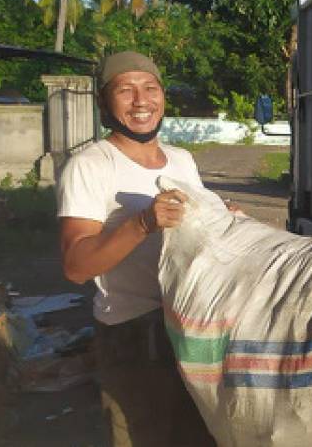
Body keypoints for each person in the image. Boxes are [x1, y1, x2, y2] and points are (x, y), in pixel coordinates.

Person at [57, 51, 215, 447]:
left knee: (202, 435)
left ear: (163, 95)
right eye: (125, 91)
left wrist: (221, 218)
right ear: (104, 103)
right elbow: (76, 266)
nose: (141, 101)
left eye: (150, 88)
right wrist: (142, 223)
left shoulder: (183, 159)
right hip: (132, 334)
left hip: (192, 325)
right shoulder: (90, 165)